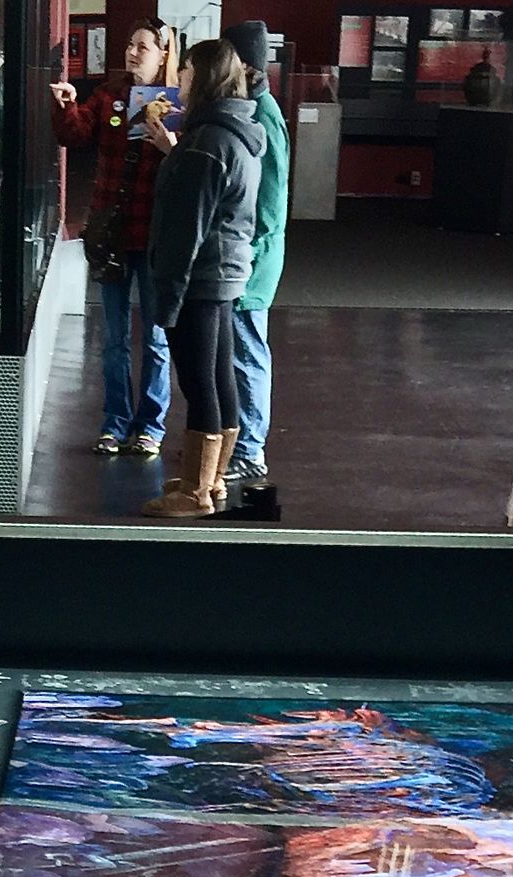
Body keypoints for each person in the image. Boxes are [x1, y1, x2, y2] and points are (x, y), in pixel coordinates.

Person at [141, 37, 263, 521]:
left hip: (201, 279)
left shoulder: (208, 142)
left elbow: (184, 230)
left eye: (186, 70)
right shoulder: (236, 132)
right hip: (224, 274)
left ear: (206, 76)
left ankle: (196, 492)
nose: (179, 79)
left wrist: (166, 298)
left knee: (199, 382)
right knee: (218, 375)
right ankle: (208, 479)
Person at [52, 18, 181, 460]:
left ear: (164, 53)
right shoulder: (110, 94)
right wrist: (67, 104)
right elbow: (75, 133)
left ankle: (151, 426)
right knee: (113, 337)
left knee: (155, 338)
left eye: (143, 46)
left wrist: (174, 146)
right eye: (130, 44)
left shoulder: (177, 101)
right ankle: (114, 422)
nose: (132, 52)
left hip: (156, 234)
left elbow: (189, 169)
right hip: (112, 233)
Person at [223, 19, 288, 514]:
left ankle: (250, 452)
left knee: (248, 353)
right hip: (249, 259)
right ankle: (240, 442)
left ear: (244, 65)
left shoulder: (263, 118)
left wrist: (246, 258)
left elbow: (268, 207)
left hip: (252, 263)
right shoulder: (256, 110)